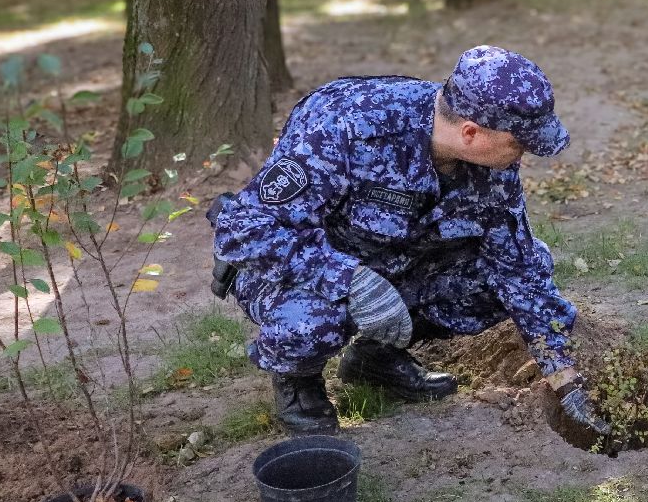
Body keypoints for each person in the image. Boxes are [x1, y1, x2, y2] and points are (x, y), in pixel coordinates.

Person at [210, 46, 607, 440]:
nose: (524, 154)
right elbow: (243, 228)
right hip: (296, 266)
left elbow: (518, 270)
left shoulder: (494, 166)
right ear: (470, 132)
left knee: (510, 274)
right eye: (518, 143)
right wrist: (350, 281)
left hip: (395, 260)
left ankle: (374, 359)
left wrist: (564, 377)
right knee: (310, 323)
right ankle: (297, 384)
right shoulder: (347, 126)